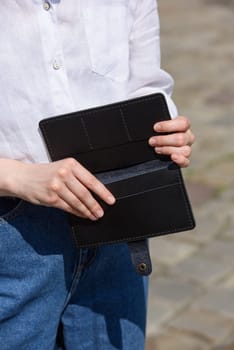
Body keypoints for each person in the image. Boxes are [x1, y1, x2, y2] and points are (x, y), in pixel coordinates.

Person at [0, 1, 195, 349]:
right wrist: (15, 176)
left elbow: (147, 86)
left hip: (118, 224)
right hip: (13, 235)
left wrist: (166, 133)